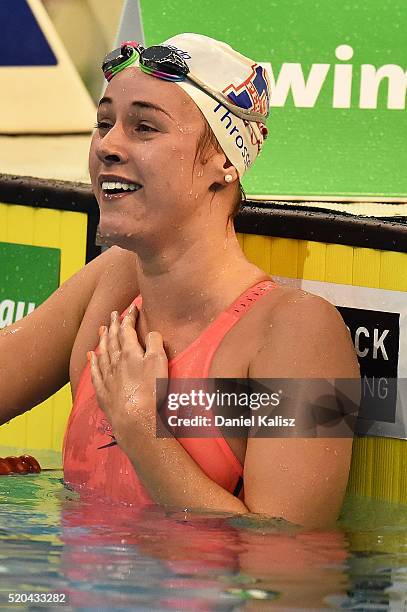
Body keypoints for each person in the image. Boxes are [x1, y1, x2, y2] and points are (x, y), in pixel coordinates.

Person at [0, 34, 359, 527]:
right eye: (104, 124)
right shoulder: (114, 283)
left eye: (144, 128)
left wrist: (142, 431)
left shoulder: (299, 334)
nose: (108, 146)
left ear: (224, 162)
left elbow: (289, 562)